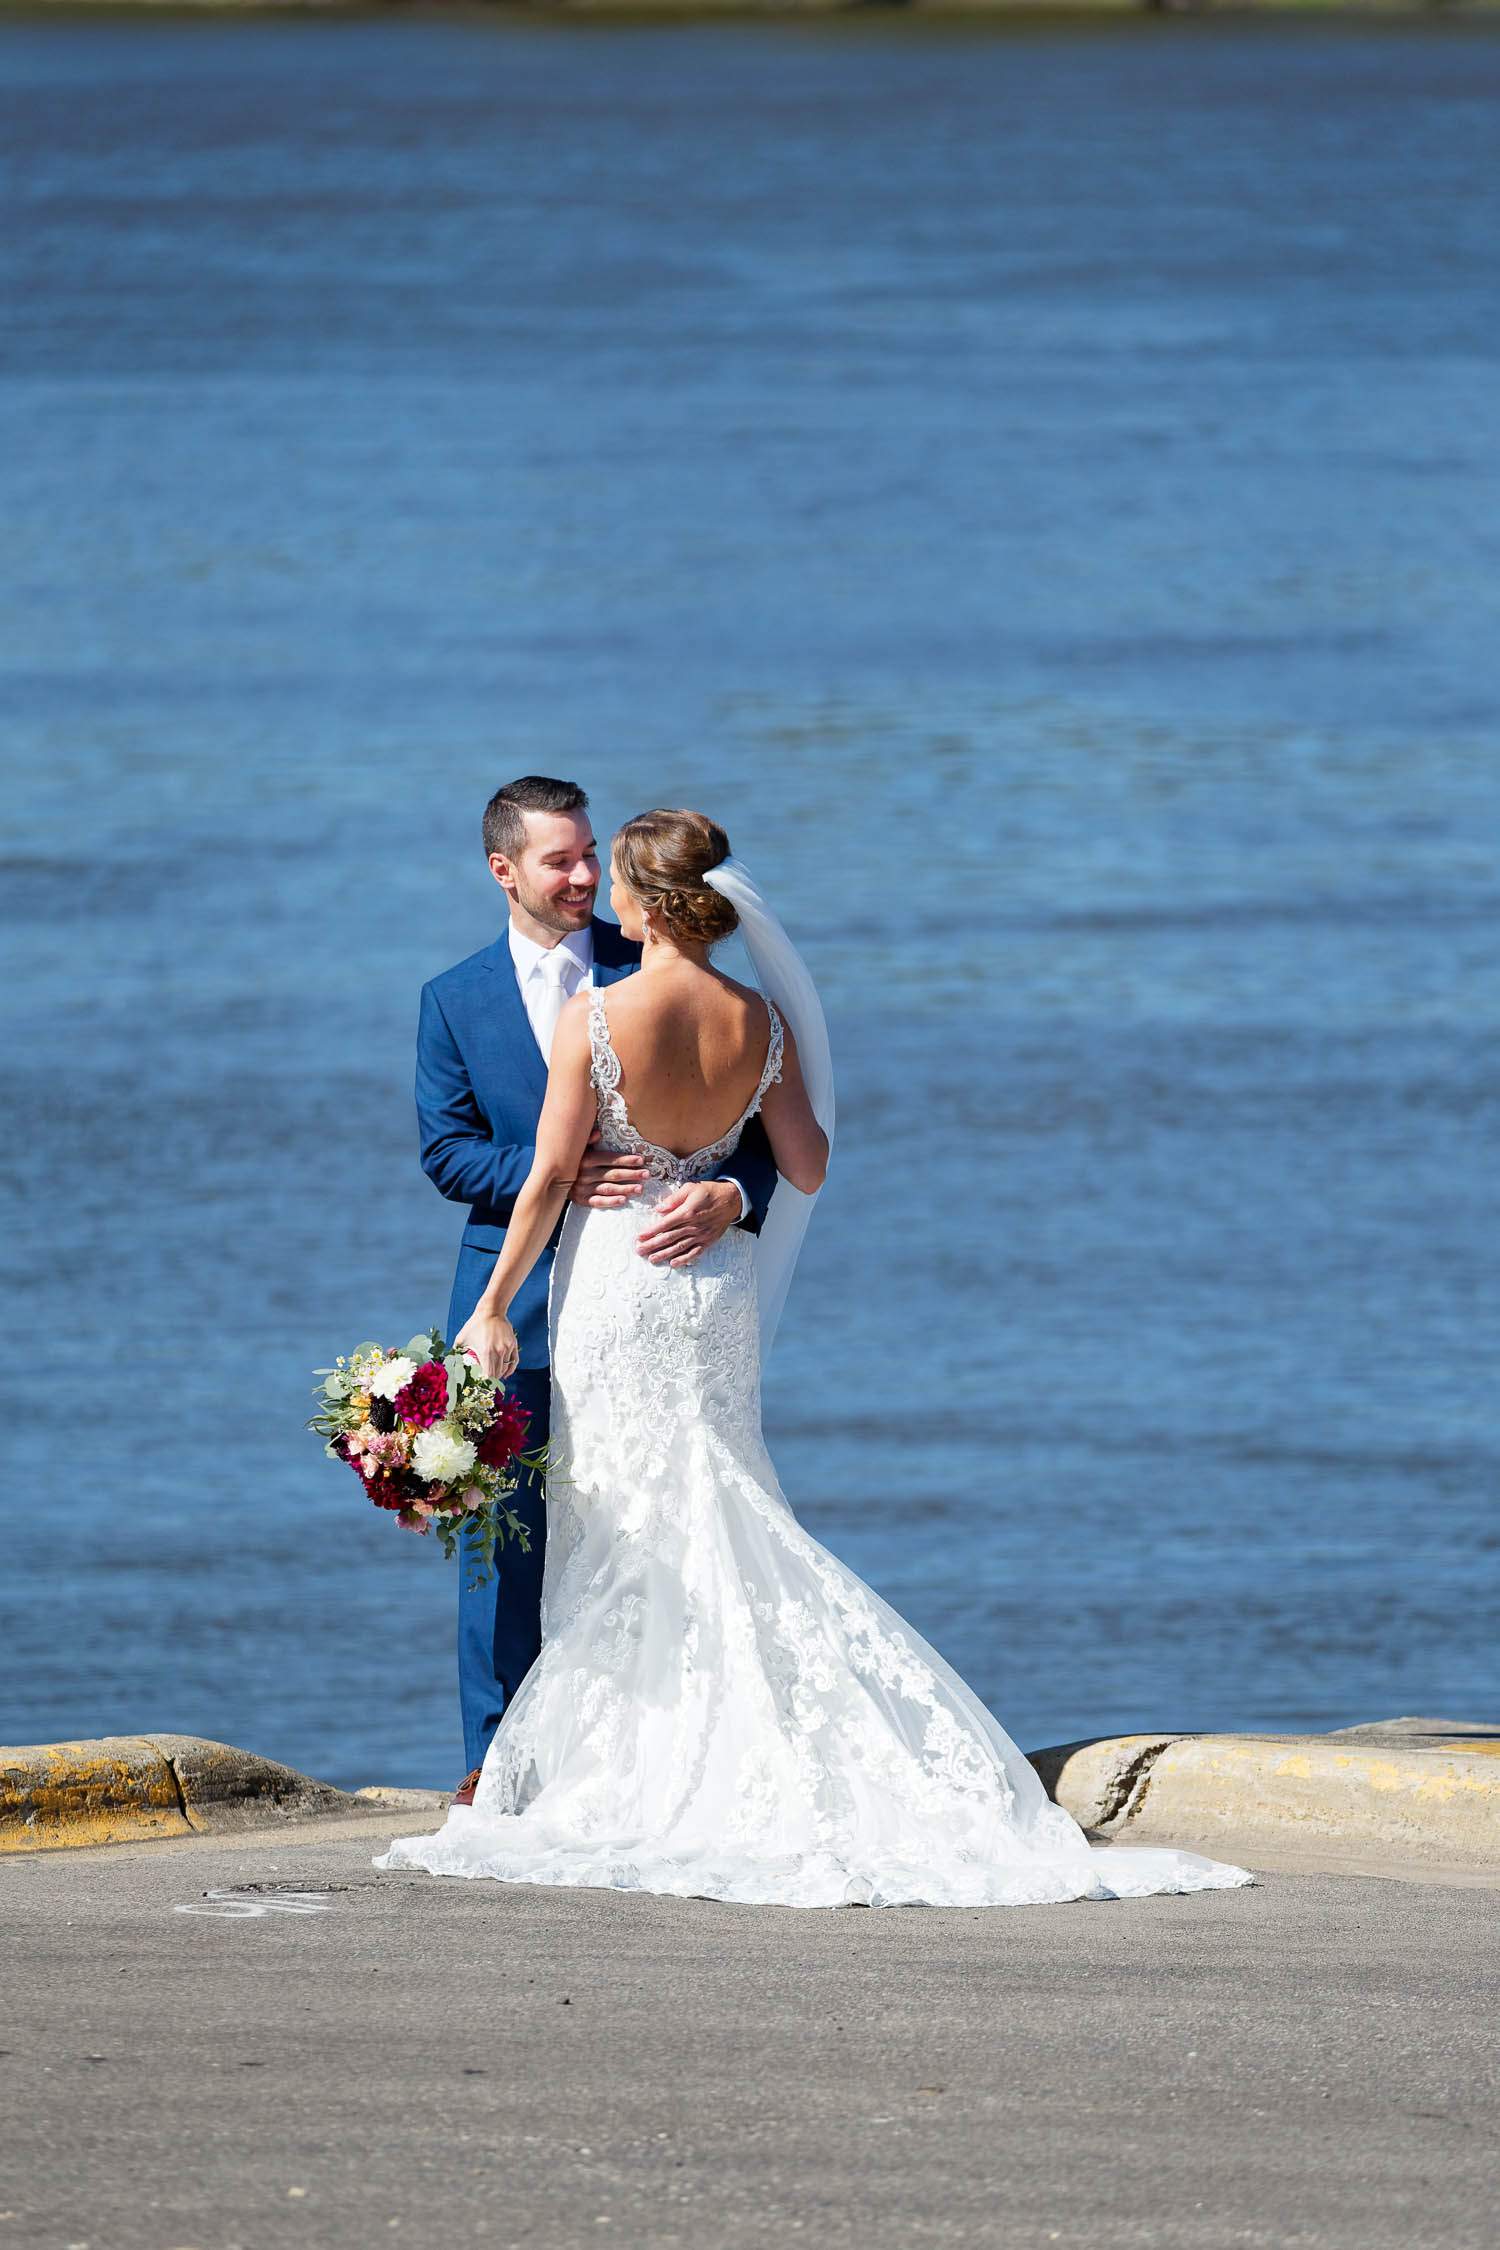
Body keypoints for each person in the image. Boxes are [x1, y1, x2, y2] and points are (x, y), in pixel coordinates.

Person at [378, 810, 1252, 1908]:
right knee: (719, 1497)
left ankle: (638, 1770)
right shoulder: (763, 1019)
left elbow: (552, 1178)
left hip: (614, 1292)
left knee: (622, 1517)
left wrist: (495, 1307)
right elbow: (811, 1164)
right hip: (710, 1302)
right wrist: (728, 1175)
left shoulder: (597, 1017)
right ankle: (718, 1751)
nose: (596, 888)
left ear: (644, 905)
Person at [412, 780, 777, 1803]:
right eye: (557, 861)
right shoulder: (454, 999)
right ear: (503, 872)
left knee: (648, 1515)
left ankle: (651, 1754)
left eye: (588, 857)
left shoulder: (650, 957)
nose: (581, 878)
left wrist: (726, 1195)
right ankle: (497, 1763)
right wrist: (560, 1167)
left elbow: (750, 1138)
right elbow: (447, 1152)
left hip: (651, 1292)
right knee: (503, 1536)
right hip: (514, 1303)